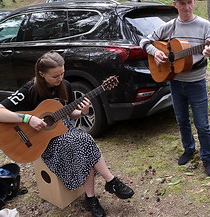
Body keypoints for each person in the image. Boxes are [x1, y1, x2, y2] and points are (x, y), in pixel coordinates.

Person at [0, 52, 134, 217]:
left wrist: (83, 112)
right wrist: (28, 118)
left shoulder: (65, 85)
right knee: (83, 141)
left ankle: (92, 197)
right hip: (43, 141)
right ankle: (110, 182)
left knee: (82, 142)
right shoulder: (29, 90)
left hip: (64, 132)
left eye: (62, 73)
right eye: (55, 76)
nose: (60, 79)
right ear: (41, 74)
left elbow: (69, 114)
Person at [140, 0, 210, 176]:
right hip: (175, 81)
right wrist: (156, 52)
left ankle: (207, 158)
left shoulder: (205, 26)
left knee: (202, 124)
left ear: (194, 3)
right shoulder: (170, 27)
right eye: (182, 3)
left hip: (197, 83)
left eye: (189, 2)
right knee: (182, 120)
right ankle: (188, 149)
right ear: (175, 4)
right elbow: (144, 41)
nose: (186, 7)